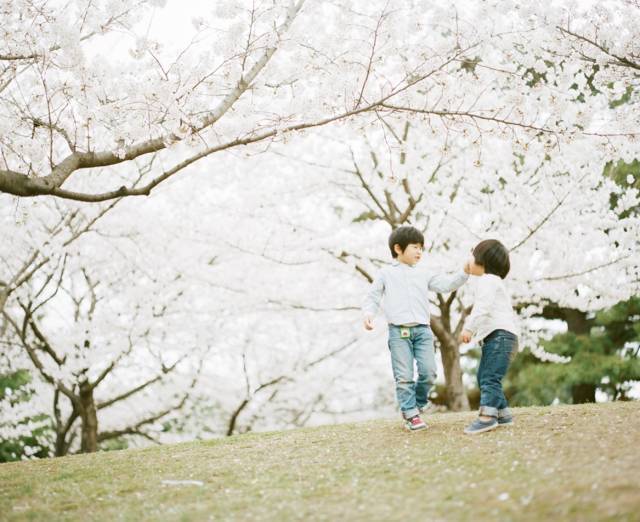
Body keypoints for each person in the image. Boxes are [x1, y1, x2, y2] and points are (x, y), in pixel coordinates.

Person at [363, 225, 469, 431]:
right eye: (414, 247)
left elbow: (446, 284)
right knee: (403, 376)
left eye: (421, 247)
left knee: (429, 372)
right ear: (398, 249)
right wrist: (368, 314)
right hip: (398, 332)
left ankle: (417, 404)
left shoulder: (424, 273)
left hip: (422, 331)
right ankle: (411, 414)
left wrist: (464, 273)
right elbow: (373, 296)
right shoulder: (386, 273)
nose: (419, 251)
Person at [459, 239, 519, 435]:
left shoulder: (487, 280)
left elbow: (482, 307)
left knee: (489, 377)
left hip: (500, 337)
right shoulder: (492, 281)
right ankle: (503, 414)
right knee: (485, 376)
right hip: (501, 337)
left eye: (473, 255)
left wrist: (469, 328)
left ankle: (487, 417)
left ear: (482, 261)